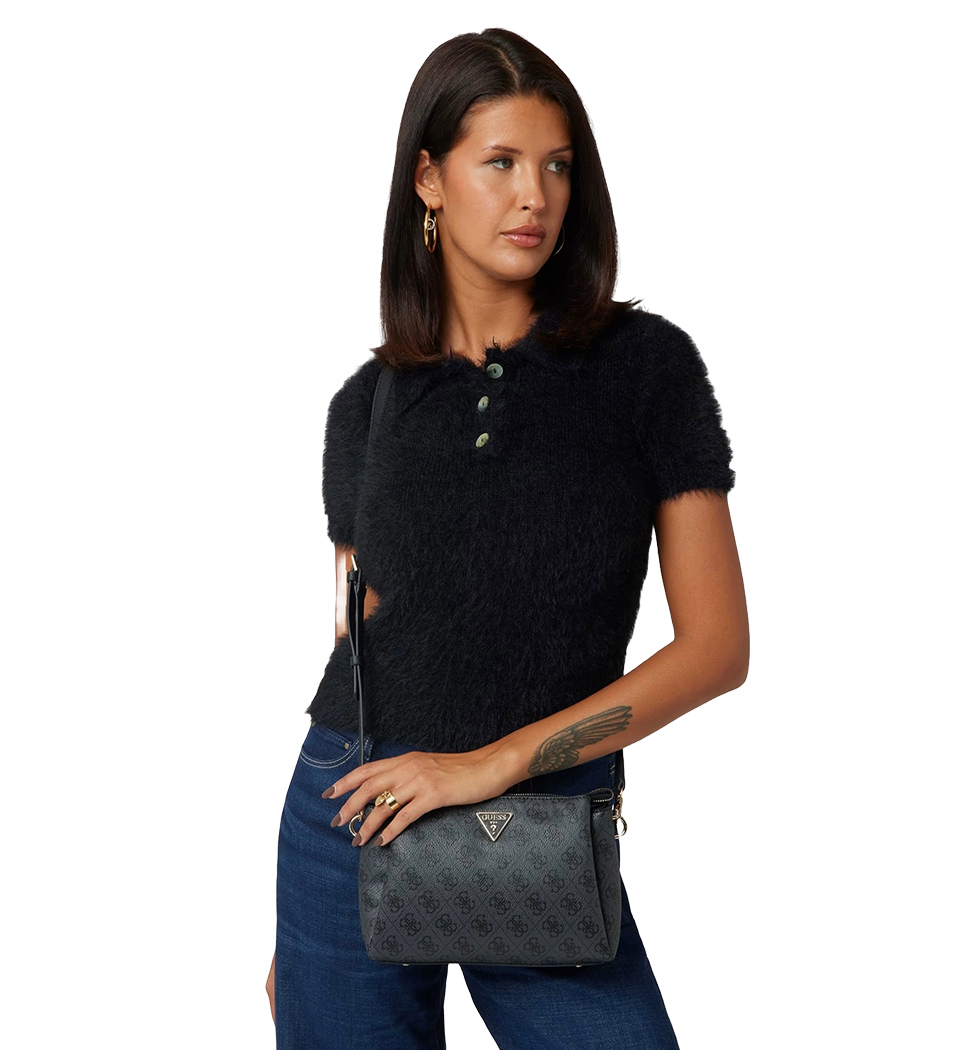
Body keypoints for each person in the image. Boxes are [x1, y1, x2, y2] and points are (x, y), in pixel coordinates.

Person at [268, 26, 748, 1050]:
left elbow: (718, 649)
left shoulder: (645, 369)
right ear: (429, 181)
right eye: (501, 163)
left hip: (539, 826)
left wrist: (492, 764)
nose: (536, 196)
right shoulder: (364, 405)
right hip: (348, 822)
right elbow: (363, 642)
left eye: (557, 166)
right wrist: (303, 928)